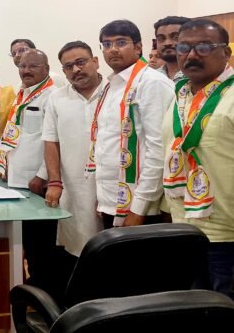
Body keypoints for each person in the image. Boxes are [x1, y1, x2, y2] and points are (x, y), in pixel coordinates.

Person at [161, 19, 234, 298]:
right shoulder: (180, 95)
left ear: (226, 52)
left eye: (204, 47)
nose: (191, 55)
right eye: (184, 48)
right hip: (184, 230)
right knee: (193, 307)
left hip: (226, 236)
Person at [88, 19, 173, 229]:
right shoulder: (111, 85)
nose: (113, 49)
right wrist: (104, 198)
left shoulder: (151, 82)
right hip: (113, 200)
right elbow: (107, 142)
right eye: (107, 44)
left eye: (121, 42)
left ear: (138, 47)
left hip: (140, 207)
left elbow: (158, 149)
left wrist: (138, 209)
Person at [0, 49, 57, 296]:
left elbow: (53, 140)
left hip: (36, 183)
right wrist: (5, 164)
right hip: (17, 181)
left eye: (33, 66)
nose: (26, 70)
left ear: (46, 69)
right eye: (22, 66)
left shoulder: (52, 95)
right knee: (29, 241)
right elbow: (16, 135)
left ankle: (47, 294)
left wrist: (42, 175)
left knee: (42, 243)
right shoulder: (23, 93)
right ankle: (35, 288)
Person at [43, 41, 104, 264]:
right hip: (74, 188)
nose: (76, 69)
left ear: (95, 61)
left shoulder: (115, 92)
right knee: (78, 251)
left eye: (81, 62)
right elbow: (51, 141)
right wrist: (54, 182)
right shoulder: (57, 98)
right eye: (69, 66)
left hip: (111, 189)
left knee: (113, 251)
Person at [154, 15, 191, 81]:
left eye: (176, 37)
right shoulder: (152, 77)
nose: (167, 43)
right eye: (161, 39)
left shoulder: (200, 75)